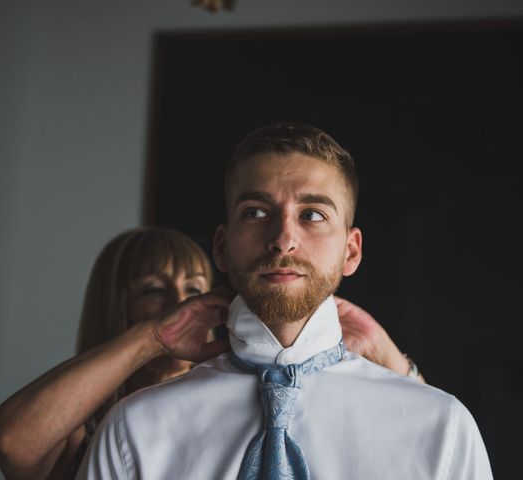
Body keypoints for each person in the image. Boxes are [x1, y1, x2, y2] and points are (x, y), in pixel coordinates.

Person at [76, 123, 493, 479]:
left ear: (351, 251)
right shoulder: (135, 429)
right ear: (222, 247)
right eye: (256, 212)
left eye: (312, 214)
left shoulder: (442, 427)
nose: (282, 240)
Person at [0, 226, 418, 480]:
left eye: (193, 287)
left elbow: (421, 444)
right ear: (116, 306)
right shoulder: (91, 441)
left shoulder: (256, 404)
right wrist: (151, 338)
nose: (178, 300)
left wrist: (386, 356)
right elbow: (11, 441)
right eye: (153, 290)